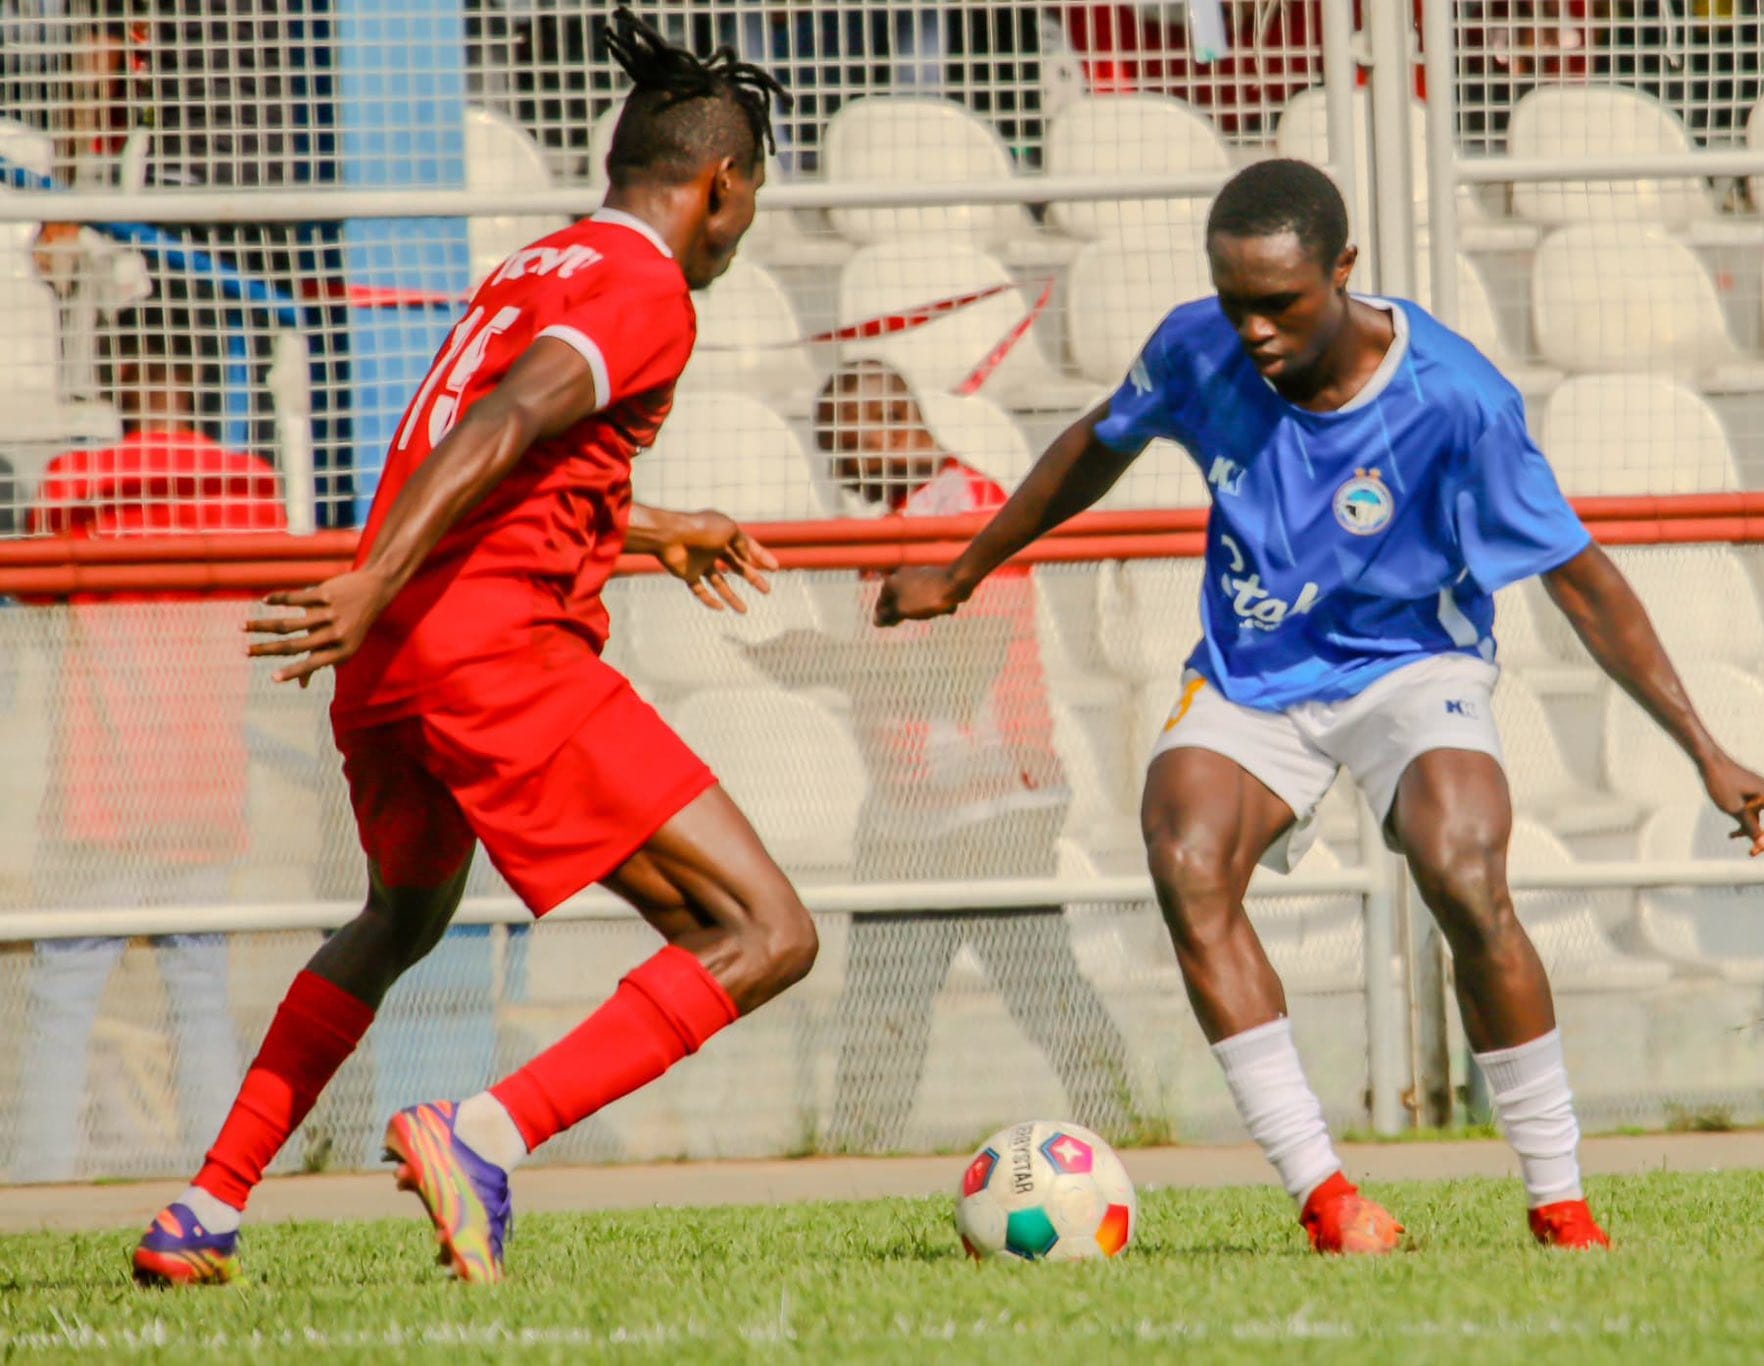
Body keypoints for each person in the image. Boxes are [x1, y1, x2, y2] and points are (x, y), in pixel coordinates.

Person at [876, 158, 1764, 1254]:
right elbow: (1096, 442)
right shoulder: (1195, 345)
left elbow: (1580, 577)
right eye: (1236, 304)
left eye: (1280, 303)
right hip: (1250, 669)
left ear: (1343, 272)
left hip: (1411, 664)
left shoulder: (1454, 402)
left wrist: (1705, 749)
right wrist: (965, 567)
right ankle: (1329, 1204)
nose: (1255, 331)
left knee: (1462, 869)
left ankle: (1559, 1207)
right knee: (1183, 857)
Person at [131, 9, 813, 1287]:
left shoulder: (538, 262)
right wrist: (372, 573)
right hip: (489, 658)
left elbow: (510, 458)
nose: (743, 230)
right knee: (766, 931)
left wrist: (645, 527)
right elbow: (509, 415)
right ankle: (482, 1136)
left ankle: (204, 1208)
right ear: (721, 184)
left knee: (400, 915)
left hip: (393, 662)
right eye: (752, 201)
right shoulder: (643, 287)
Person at [753, 360, 1134, 1151]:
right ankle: (855, 1159)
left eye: (843, 450)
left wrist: (817, 662)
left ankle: (1130, 1128)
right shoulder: (898, 517)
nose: (838, 472)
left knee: (1042, 990)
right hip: (905, 814)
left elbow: (964, 667)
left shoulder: (973, 507)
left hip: (990, 805)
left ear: (888, 427)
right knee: (879, 1013)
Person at [12, 305, 283, 1185]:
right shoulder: (248, 487)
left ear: (114, 376)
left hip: (97, 799)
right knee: (199, 1007)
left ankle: (44, 1178)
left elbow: (41, 594)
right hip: (203, 796)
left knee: (61, 1002)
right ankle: (219, 1184)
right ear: (201, 380)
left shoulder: (78, 483)